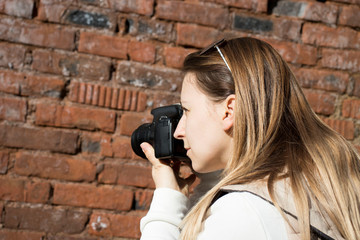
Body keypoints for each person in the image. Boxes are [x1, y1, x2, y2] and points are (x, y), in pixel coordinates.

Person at [139, 37, 360, 240]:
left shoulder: (241, 214)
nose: (178, 131)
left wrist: (167, 203)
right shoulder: (315, 191)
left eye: (187, 111)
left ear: (229, 110)